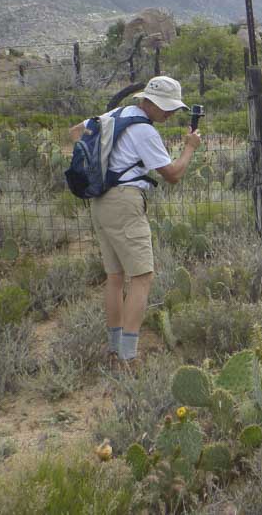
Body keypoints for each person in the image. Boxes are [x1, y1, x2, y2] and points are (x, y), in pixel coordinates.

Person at [68, 76, 201, 365]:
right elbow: (173, 175)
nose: (169, 113)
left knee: (115, 278)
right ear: (149, 102)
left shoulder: (115, 115)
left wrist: (97, 168)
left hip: (101, 201)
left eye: (173, 108)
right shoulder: (144, 131)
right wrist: (190, 147)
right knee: (142, 277)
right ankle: (128, 358)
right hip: (125, 203)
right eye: (166, 108)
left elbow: (76, 131)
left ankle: (115, 349)